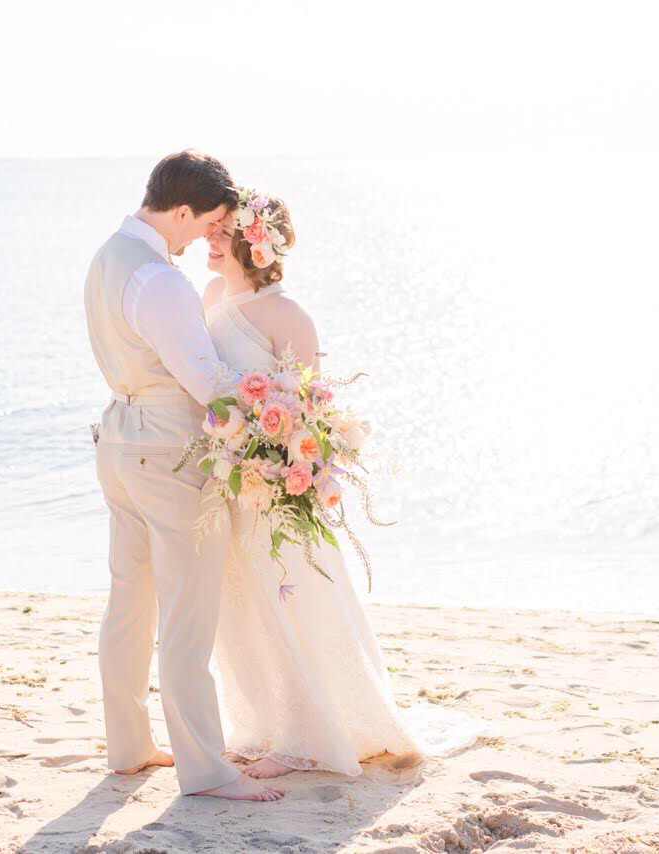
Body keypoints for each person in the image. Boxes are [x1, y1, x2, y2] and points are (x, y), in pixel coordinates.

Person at [201, 189, 421, 779]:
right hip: (229, 478)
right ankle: (260, 725)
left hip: (276, 484)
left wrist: (275, 460)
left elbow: (309, 409)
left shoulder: (288, 315)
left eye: (222, 231)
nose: (208, 238)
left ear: (255, 244)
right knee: (241, 607)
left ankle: (303, 736)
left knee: (289, 602)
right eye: (210, 228)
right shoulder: (212, 296)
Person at [83, 151, 283, 801]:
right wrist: (277, 404)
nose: (206, 237)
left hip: (119, 440)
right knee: (187, 616)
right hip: (168, 449)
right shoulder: (161, 281)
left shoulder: (107, 258)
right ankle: (206, 770)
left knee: (129, 602)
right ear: (183, 211)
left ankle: (129, 747)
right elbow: (205, 381)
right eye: (207, 223)